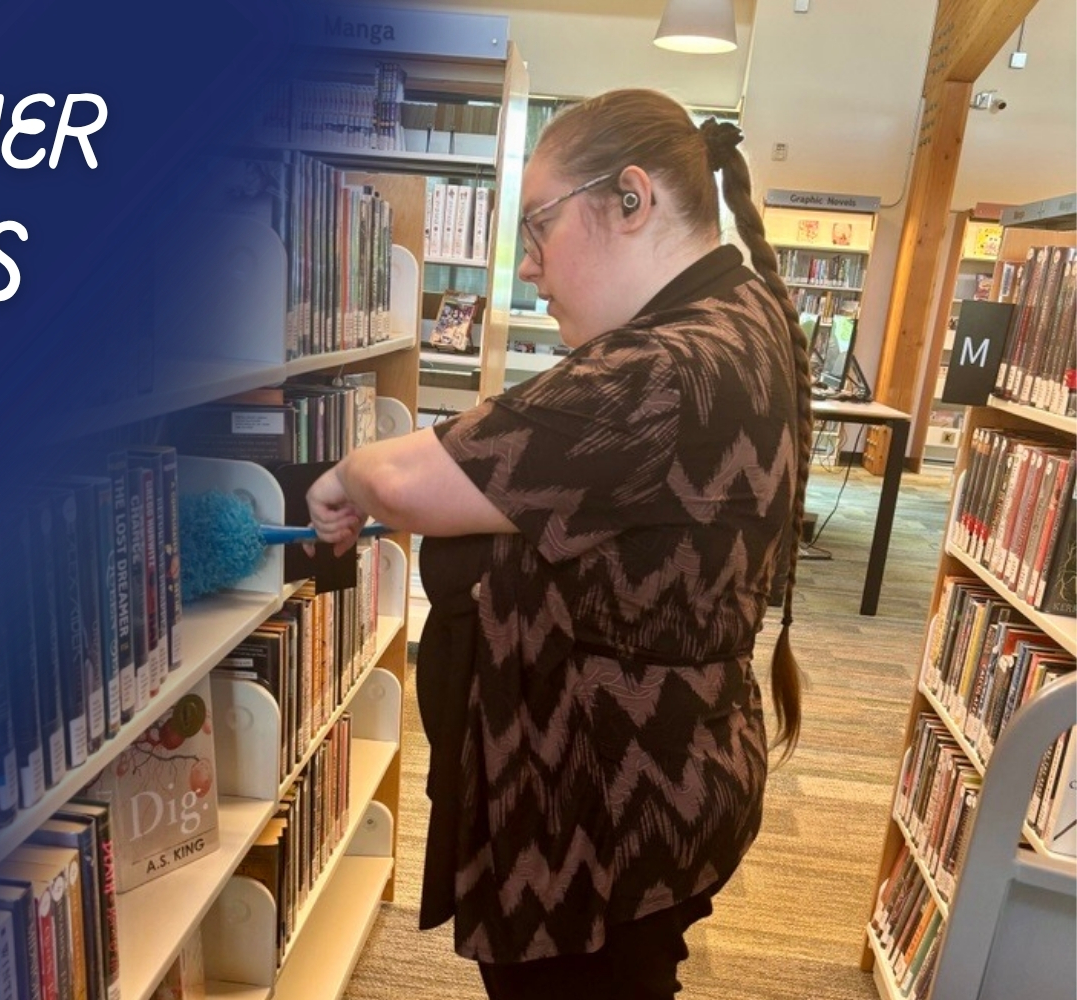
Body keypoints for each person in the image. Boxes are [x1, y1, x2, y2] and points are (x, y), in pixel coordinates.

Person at [305, 89, 810, 999]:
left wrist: (347, 468)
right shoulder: (734, 321)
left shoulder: (661, 372)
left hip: (608, 816)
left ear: (630, 199)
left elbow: (415, 482)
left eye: (539, 229)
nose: (531, 268)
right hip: (664, 774)